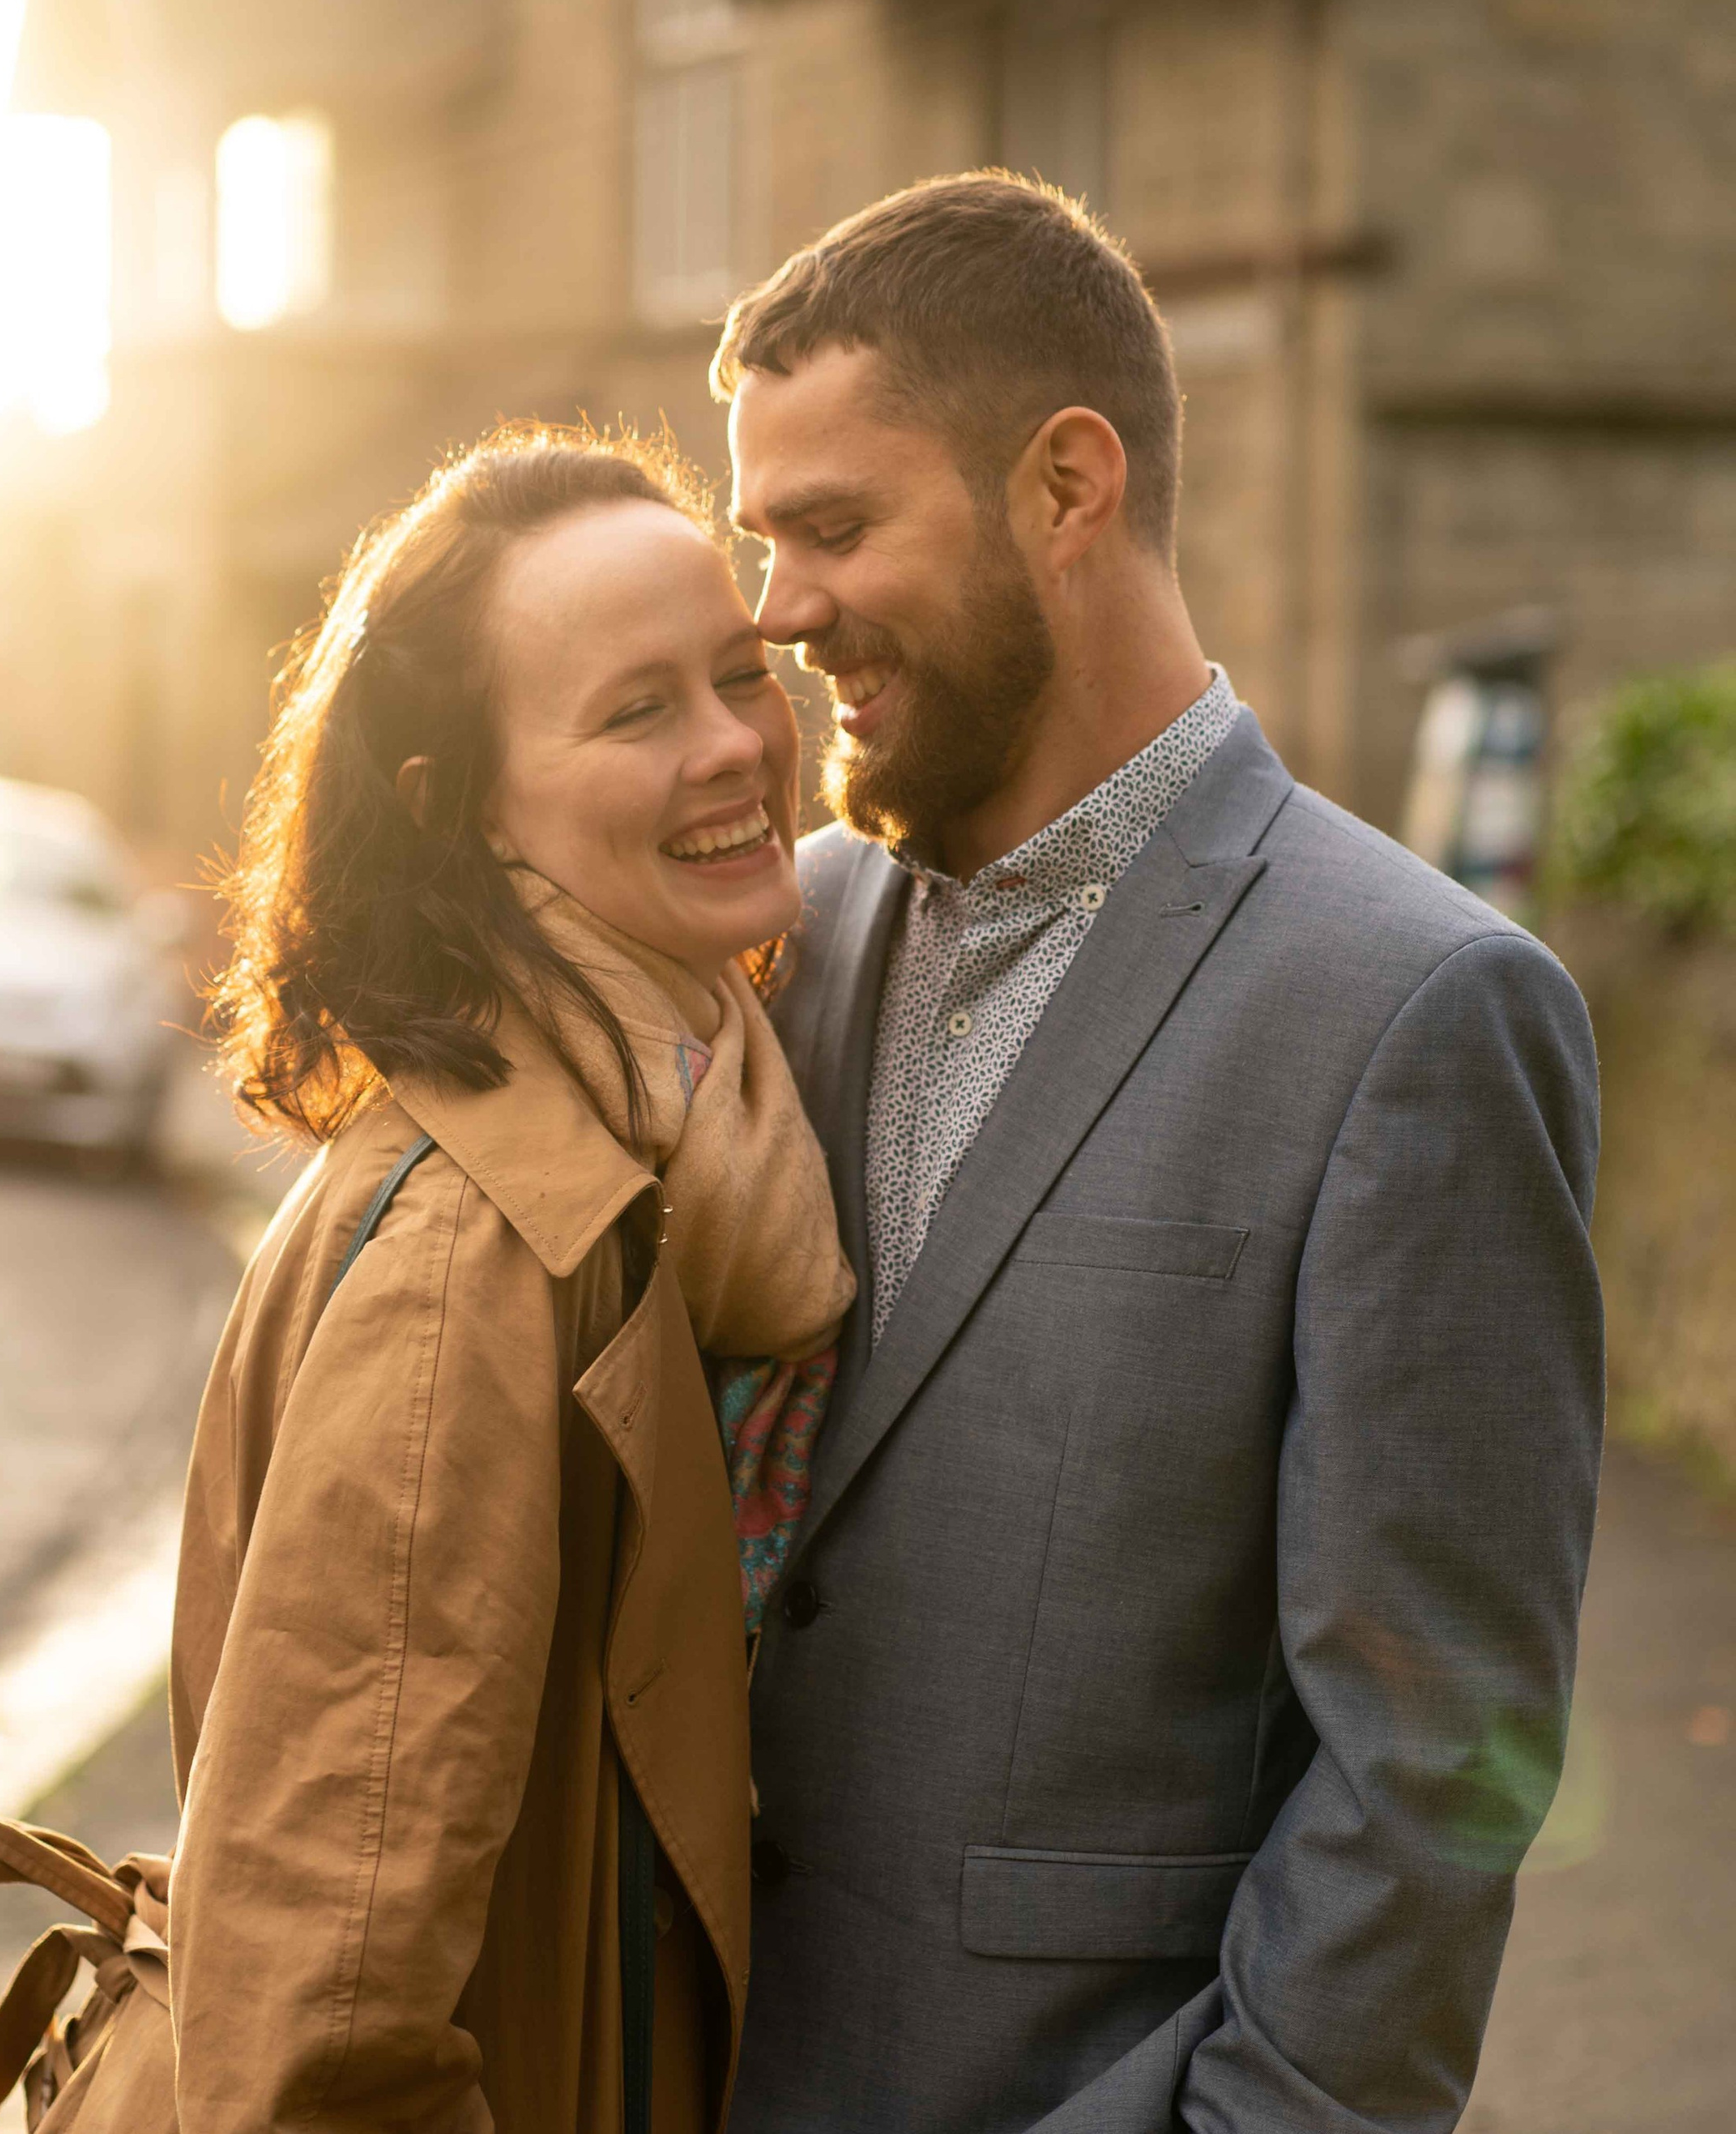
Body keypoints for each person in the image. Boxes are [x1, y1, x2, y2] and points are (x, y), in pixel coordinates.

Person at [714, 173, 1603, 2131]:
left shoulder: (1419, 1010)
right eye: (758, 538)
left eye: (834, 526)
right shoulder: (782, 931)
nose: (774, 609)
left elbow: (1428, 1774)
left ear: (1064, 485)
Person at [170, 428, 853, 2131]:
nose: (732, 748)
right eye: (634, 712)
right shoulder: (475, 1257)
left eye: (730, 675)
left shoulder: (692, 1117)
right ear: (455, 811)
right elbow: (318, 2037)